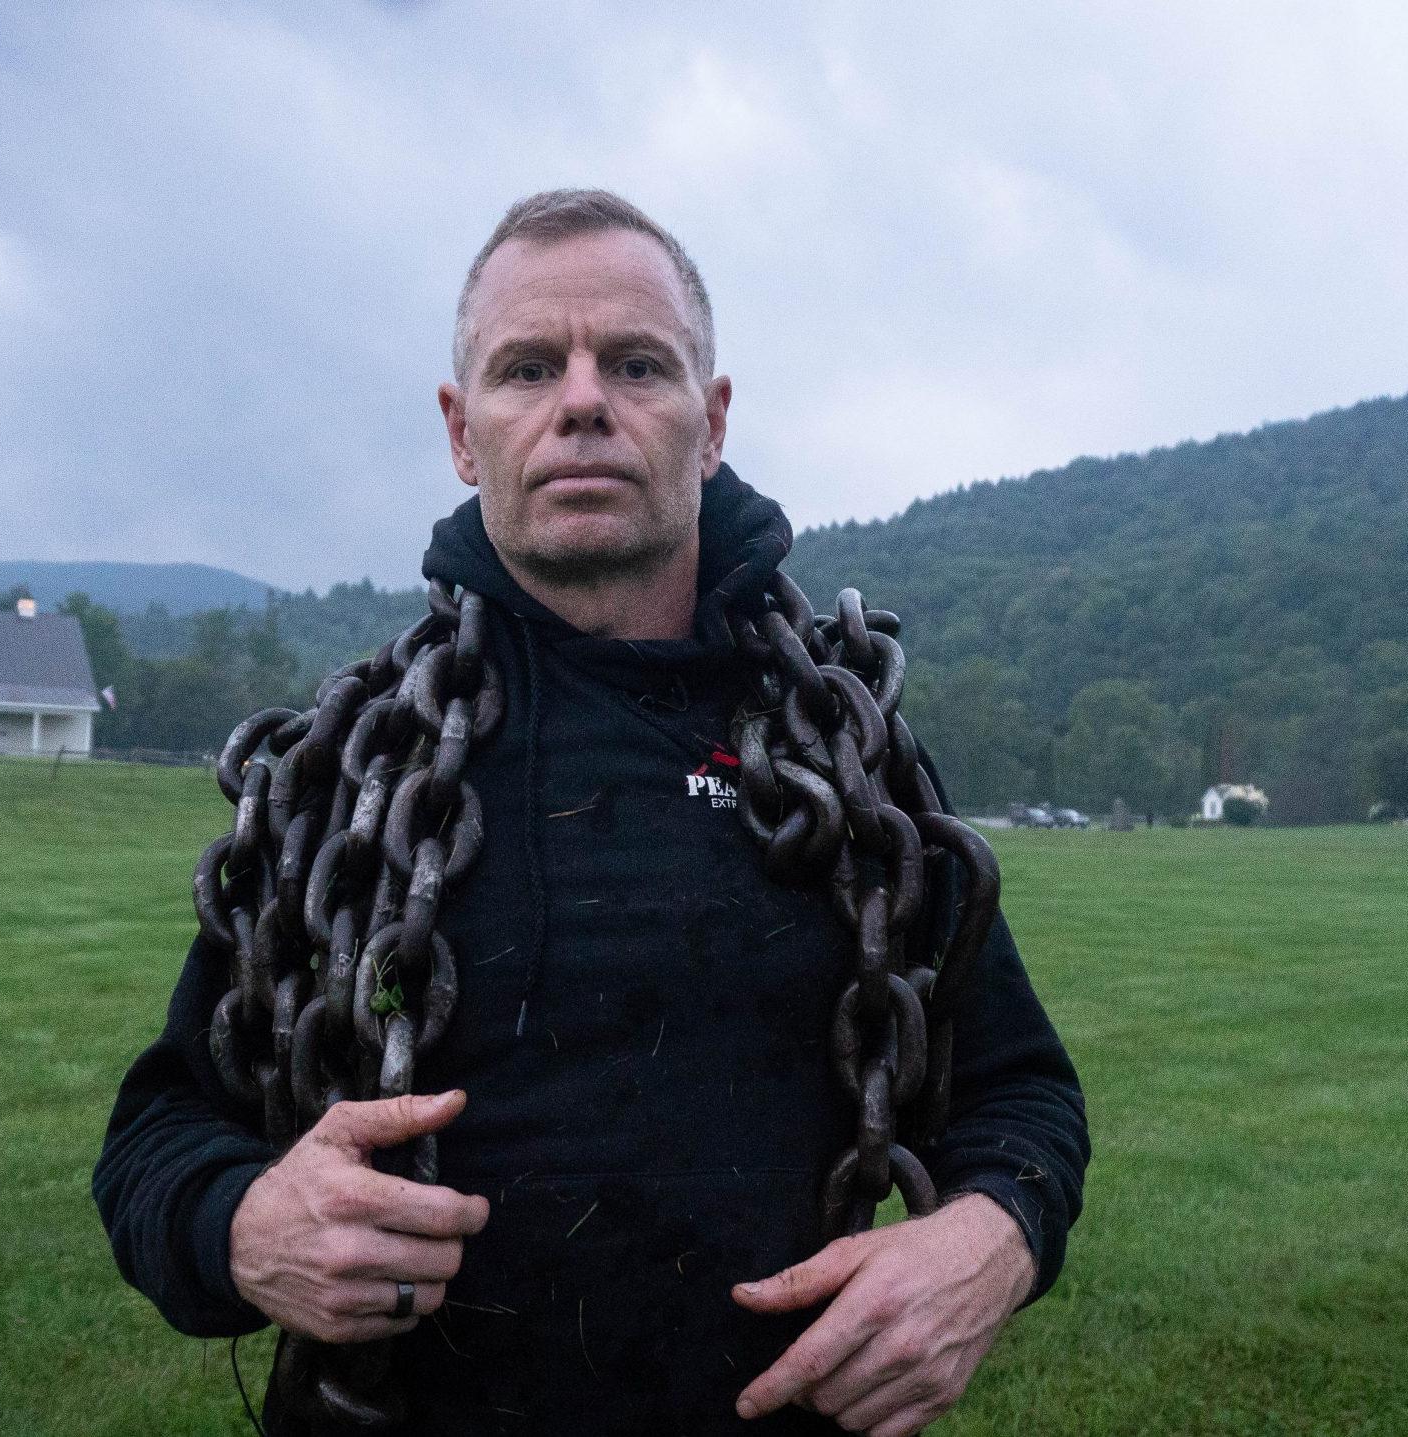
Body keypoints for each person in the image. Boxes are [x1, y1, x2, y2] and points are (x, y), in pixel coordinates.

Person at [95, 189, 1089, 1437]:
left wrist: (990, 1243)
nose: (580, 402)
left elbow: (1019, 1098)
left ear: (711, 421)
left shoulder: (837, 757)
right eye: (525, 369)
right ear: (464, 434)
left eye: (634, 363)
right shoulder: (356, 777)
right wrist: (239, 1225)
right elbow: (162, 1131)